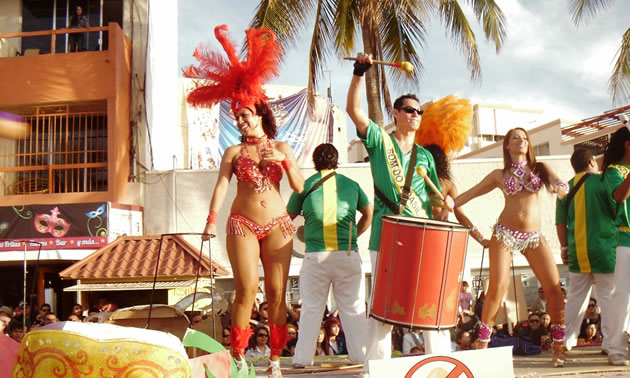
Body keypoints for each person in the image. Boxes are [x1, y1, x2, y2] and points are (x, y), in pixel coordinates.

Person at [186, 25, 304, 378]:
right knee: (246, 288)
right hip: (242, 223)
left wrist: (282, 161)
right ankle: (237, 356)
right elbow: (222, 185)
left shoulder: (282, 148)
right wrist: (210, 219)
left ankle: (274, 362)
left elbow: (298, 186)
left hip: (279, 224)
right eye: (236, 115)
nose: (240, 119)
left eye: (244, 113)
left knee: (277, 292)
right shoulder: (233, 151)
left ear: (259, 111)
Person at [346, 53, 446, 369]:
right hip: (387, 232)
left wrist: (445, 207)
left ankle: (439, 364)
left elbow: (435, 207)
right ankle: (377, 368)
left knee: (429, 301)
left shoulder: (426, 157)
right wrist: (359, 73)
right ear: (396, 113)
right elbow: (354, 110)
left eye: (419, 111)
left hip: (422, 235)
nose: (416, 115)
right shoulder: (379, 140)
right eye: (409, 110)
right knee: (384, 303)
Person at [454, 127, 569, 366]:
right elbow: (473, 192)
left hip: (534, 236)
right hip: (505, 234)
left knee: (554, 287)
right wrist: (450, 203)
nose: (521, 141)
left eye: (524, 138)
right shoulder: (499, 174)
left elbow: (558, 181)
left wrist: (561, 187)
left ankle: (558, 345)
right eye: (515, 138)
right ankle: (482, 344)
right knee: (498, 287)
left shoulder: (540, 169)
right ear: (506, 145)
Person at [287, 143, 372, 368]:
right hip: (347, 253)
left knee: (312, 308)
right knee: (353, 308)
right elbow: (369, 213)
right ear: (337, 161)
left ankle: (302, 359)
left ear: (315, 161)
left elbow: (287, 218)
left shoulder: (305, 185)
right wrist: (356, 234)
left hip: (315, 255)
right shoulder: (352, 185)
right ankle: (361, 358)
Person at [555, 149, 616, 353]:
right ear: (591, 162)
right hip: (605, 249)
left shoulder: (565, 188)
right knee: (607, 297)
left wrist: (564, 247)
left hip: (578, 251)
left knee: (575, 298)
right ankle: (609, 343)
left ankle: (567, 341)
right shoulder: (603, 182)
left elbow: (560, 223)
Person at [600, 122, 630, 366]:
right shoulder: (613, 171)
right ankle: (616, 349)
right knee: (622, 295)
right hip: (624, 238)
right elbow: (619, 197)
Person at [423, 144, 490, 248]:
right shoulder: (444, 184)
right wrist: (481, 240)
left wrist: (481, 239)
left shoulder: (447, 185)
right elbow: (461, 217)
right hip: (428, 235)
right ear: (442, 162)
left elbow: (461, 217)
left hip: (433, 236)